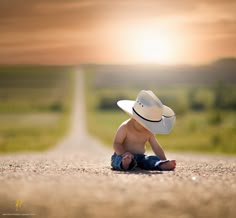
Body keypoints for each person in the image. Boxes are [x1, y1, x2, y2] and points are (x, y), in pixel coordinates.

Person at [111, 90, 176, 171]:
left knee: (150, 159)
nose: (148, 126)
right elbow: (117, 143)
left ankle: (161, 165)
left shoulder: (149, 131)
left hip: (140, 157)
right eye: (146, 123)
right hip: (123, 154)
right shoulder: (125, 127)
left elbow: (156, 147)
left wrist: (163, 160)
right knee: (117, 160)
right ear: (134, 117)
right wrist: (123, 153)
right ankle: (125, 164)